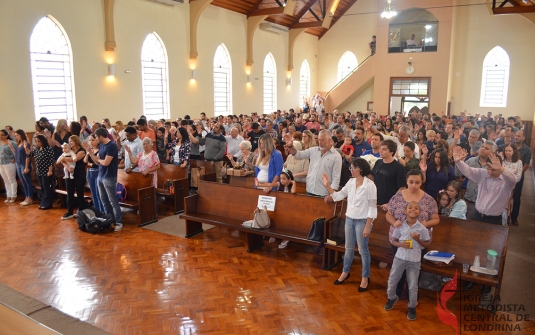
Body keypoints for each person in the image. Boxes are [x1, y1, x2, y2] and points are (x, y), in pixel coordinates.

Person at [323, 158, 377, 291]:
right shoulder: (351, 182)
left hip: (362, 221)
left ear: (361, 169)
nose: (351, 170)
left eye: (354, 168)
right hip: (349, 219)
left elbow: (372, 207)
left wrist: (367, 225)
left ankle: (365, 277)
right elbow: (339, 195)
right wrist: (327, 186)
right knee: (348, 248)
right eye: (350, 168)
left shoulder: (370, 185)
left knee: (363, 251)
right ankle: (345, 272)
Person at [385, 169, 439, 299]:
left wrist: (426, 224)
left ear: (421, 182)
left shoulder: (428, 199)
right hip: (399, 238)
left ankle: (411, 296)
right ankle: (395, 294)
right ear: (406, 182)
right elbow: (388, 214)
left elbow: (436, 219)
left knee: (414, 270)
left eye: (417, 182)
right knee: (399, 268)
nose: (413, 185)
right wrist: (394, 223)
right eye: (411, 182)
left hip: (418, 241)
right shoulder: (398, 196)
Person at [384, 201, 430, 321]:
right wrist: (400, 244)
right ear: (405, 211)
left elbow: (426, 244)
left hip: (414, 260)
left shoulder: (422, 228)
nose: (413, 209)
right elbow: (393, 241)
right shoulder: (400, 225)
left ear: (419, 212)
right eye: (410, 208)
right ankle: (392, 297)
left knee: (413, 285)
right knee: (392, 280)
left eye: (416, 208)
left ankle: (412, 307)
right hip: (400, 257)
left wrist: (418, 239)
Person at [453, 146, 516, 225]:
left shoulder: (506, 180)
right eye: (488, 168)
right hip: (477, 215)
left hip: (495, 219)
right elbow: (468, 170)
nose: (490, 172)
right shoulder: (483, 174)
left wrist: (501, 169)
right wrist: (458, 162)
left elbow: (513, 180)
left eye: (493, 169)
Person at [83, 128, 123, 231]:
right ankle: (109, 220)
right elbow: (97, 162)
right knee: (104, 200)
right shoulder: (101, 146)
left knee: (113, 200)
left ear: (100, 136)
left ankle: (119, 222)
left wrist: (100, 160)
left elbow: (106, 163)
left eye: (96, 137)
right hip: (100, 175)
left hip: (109, 176)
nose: (95, 139)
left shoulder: (112, 146)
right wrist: (89, 151)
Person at [283, 130, 342, 197]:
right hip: (310, 190)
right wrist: (291, 146)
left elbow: (336, 178)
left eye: (322, 140)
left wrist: (332, 194)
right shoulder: (313, 150)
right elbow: (298, 155)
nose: (319, 142)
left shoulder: (336, 156)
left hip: (324, 193)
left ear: (329, 140)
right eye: (319, 140)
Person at [507, 131, 532, 226]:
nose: (516, 137)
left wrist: (516, 175)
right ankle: (504, 215)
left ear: (523, 138)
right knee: (506, 196)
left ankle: (514, 217)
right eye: (515, 135)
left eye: (519, 136)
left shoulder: (527, 150)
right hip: (507, 177)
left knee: (516, 197)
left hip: (518, 177)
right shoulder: (510, 146)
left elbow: (526, 165)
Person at [59, 136, 87, 220]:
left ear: (76, 141)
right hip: (70, 173)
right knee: (69, 193)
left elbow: (75, 159)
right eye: (69, 142)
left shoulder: (82, 151)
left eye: (71, 141)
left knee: (80, 193)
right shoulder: (68, 150)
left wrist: (63, 158)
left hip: (79, 174)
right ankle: (69, 212)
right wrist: (67, 167)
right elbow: (62, 161)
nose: (70, 143)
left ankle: (82, 211)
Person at [372, 140, 407, 207]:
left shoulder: (398, 167)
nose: (380, 151)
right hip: (375, 200)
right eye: (380, 148)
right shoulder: (378, 162)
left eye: (384, 149)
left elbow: (402, 188)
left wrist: (390, 203)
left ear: (391, 152)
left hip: (389, 203)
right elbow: (373, 178)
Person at [269, 169, 297, 249]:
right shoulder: (278, 185)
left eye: (284, 178)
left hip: (289, 209)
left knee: (286, 221)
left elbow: (293, 192)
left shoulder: (292, 186)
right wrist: (259, 184)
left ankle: (286, 239)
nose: (282, 180)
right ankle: (274, 234)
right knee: (275, 217)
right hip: (281, 207)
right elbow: (269, 184)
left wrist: (293, 182)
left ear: (289, 179)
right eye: (281, 178)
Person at [25, 135, 55, 209]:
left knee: (46, 187)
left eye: (39, 141)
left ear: (43, 141)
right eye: (36, 142)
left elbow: (51, 161)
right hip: (39, 172)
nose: (37, 143)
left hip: (46, 172)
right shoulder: (37, 149)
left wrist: (50, 170)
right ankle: (43, 202)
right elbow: (30, 154)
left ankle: (48, 203)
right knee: (42, 188)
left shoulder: (48, 149)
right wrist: (26, 148)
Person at [83, 134, 104, 212]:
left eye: (93, 140)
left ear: (97, 140)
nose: (91, 142)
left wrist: (90, 163)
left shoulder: (100, 150)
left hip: (97, 172)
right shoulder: (90, 150)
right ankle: (96, 211)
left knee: (99, 194)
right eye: (90, 140)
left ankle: (102, 211)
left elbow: (96, 163)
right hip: (90, 172)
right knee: (94, 194)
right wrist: (88, 153)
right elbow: (85, 162)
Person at [13, 130, 33, 205]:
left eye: (17, 135)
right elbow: (16, 153)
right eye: (15, 136)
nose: (16, 137)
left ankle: (30, 197)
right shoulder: (18, 144)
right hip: (18, 164)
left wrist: (26, 167)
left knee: (27, 182)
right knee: (23, 182)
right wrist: (11, 147)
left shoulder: (26, 143)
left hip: (24, 164)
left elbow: (28, 156)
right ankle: (26, 197)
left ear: (21, 135)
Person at [0, 129, 17, 203]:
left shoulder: (11, 142)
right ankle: (8, 195)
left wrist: (13, 158)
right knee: (6, 180)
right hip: (1, 164)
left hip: (9, 163)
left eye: (2, 135)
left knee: (11, 180)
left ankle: (14, 195)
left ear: (6, 135)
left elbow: (16, 152)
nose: (0, 136)